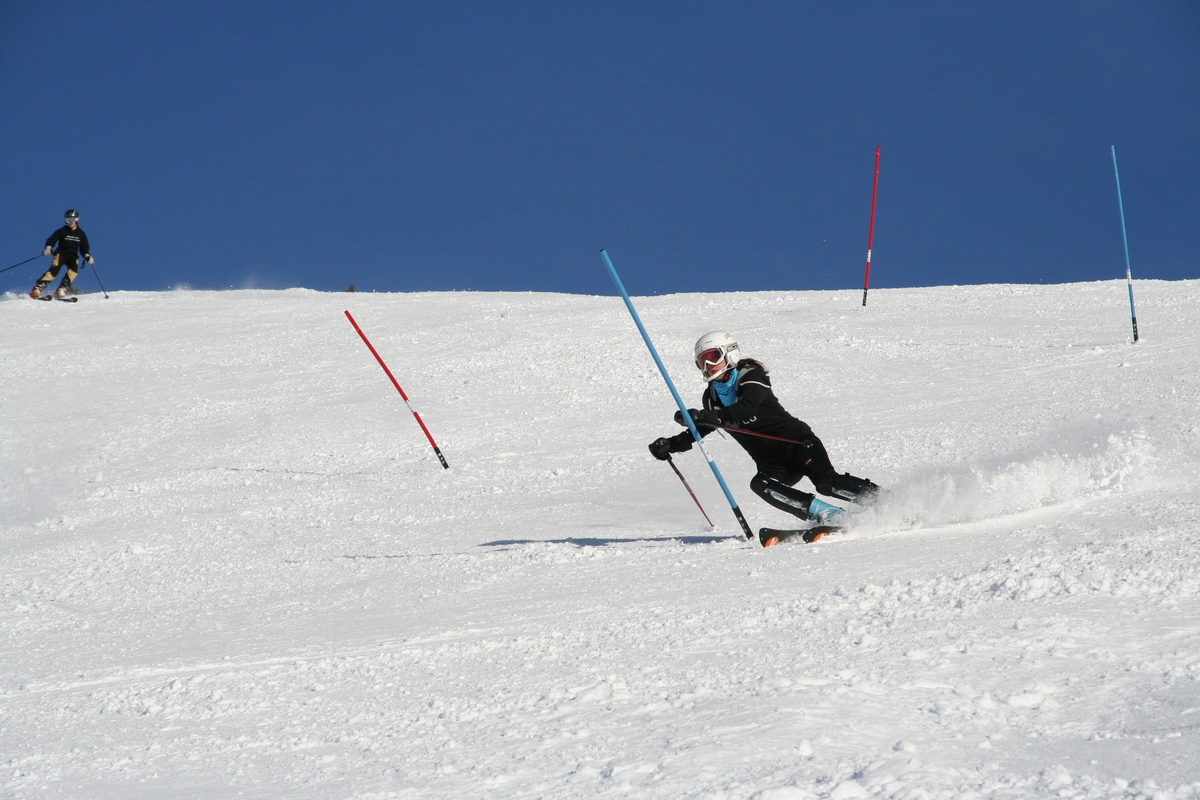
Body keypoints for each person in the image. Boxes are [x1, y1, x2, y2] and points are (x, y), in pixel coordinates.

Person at [648, 330, 881, 532]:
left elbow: (747, 407)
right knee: (761, 484)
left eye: (713, 357)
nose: (708, 365)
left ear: (730, 353)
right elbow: (701, 429)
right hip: (771, 461)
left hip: (797, 444)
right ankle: (828, 516)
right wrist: (672, 443)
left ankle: (882, 500)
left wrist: (705, 416)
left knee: (826, 483)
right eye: (702, 361)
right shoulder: (711, 397)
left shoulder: (750, 375)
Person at [31, 209, 93, 299]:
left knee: (73, 272)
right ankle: (37, 288)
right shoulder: (62, 231)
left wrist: (87, 255)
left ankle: (61, 289)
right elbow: (52, 239)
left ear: (76, 220)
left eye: (72, 220)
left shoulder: (81, 234)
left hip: (73, 256)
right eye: (68, 220)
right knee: (54, 271)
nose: (70, 222)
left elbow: (84, 247)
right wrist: (49, 247)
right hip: (61, 254)